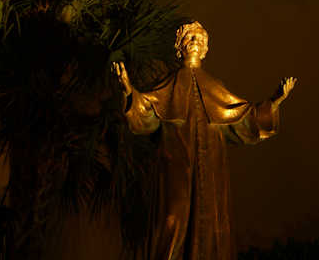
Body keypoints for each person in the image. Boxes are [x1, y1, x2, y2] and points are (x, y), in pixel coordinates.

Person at [113, 21, 296, 260]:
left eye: (199, 38)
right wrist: (128, 89)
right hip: (175, 165)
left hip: (212, 171)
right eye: (189, 38)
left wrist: (275, 101)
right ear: (179, 46)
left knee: (212, 225)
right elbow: (145, 117)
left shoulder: (216, 87)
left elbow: (244, 120)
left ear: (206, 47)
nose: (195, 42)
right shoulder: (166, 85)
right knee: (172, 220)